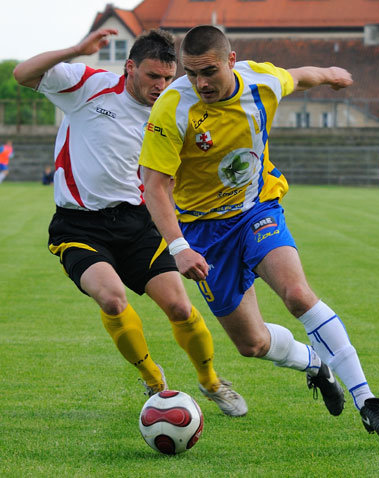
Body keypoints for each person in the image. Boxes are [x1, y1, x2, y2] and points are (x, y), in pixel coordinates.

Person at [139, 25, 379, 436]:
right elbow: (155, 184)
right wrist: (179, 246)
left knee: (298, 295)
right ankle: (316, 365)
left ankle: (368, 400)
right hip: (203, 233)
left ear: (231, 60)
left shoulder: (260, 81)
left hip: (257, 209)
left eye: (208, 71)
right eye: (191, 73)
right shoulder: (172, 108)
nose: (200, 82)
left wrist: (331, 73)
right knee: (252, 344)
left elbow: (297, 75)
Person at [13, 28, 247, 417]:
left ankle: (211, 382)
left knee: (180, 308)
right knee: (111, 297)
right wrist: (76, 50)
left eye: (167, 79)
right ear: (130, 67)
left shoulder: (174, 108)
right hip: (78, 226)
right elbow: (22, 74)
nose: (160, 86)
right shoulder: (88, 84)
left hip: (138, 223)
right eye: (153, 76)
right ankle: (154, 381)